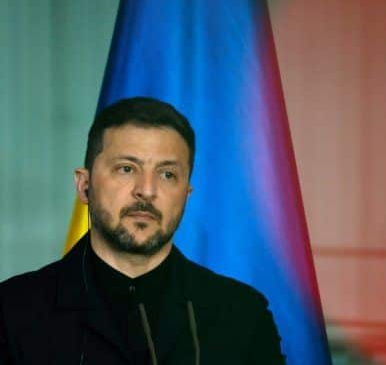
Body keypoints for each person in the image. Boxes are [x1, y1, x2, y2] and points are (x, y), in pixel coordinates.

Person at [0, 97, 286, 364]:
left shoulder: (242, 316)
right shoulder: (12, 311)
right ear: (84, 186)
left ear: (186, 194)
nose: (147, 191)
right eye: (126, 169)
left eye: (167, 174)